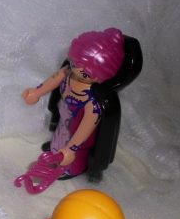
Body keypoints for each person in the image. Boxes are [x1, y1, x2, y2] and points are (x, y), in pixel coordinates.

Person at [21, 28, 125, 178]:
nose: (75, 71)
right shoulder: (69, 72)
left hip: (80, 136)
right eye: (74, 63)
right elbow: (55, 78)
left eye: (85, 73)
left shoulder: (92, 102)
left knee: (73, 157)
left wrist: (72, 148)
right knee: (58, 141)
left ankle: (70, 170)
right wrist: (36, 92)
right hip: (64, 122)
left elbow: (86, 127)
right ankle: (55, 154)